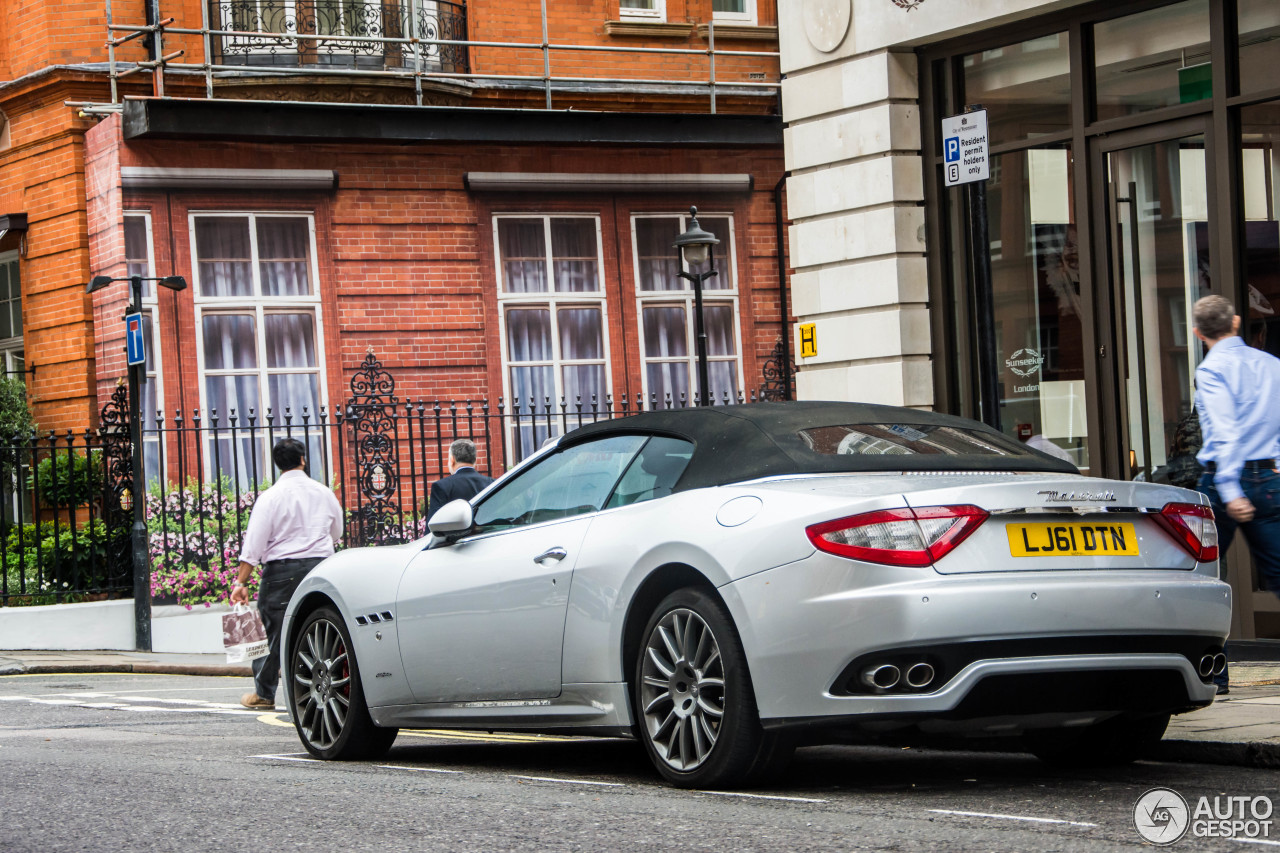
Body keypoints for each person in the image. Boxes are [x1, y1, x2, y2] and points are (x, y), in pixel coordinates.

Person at [1192, 294, 1280, 695]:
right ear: (1237, 322)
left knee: (1202, 578)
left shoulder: (1211, 371)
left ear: (1197, 332)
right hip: (1269, 476)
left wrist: (1229, 488)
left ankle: (1212, 675)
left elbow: (1224, 432)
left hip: (1224, 482)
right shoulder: (1270, 365)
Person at [231, 438, 343, 710]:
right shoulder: (323, 492)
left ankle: (264, 693)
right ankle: (317, 690)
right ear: (303, 459)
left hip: (281, 572)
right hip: (320, 568)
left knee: (271, 635)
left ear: (277, 464)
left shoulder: (270, 497)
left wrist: (241, 581)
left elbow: (254, 545)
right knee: (320, 627)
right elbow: (337, 532)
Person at [426, 438, 494, 524]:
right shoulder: (491, 483)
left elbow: (433, 525)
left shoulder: (441, 486)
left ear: (452, 460)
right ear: (475, 460)